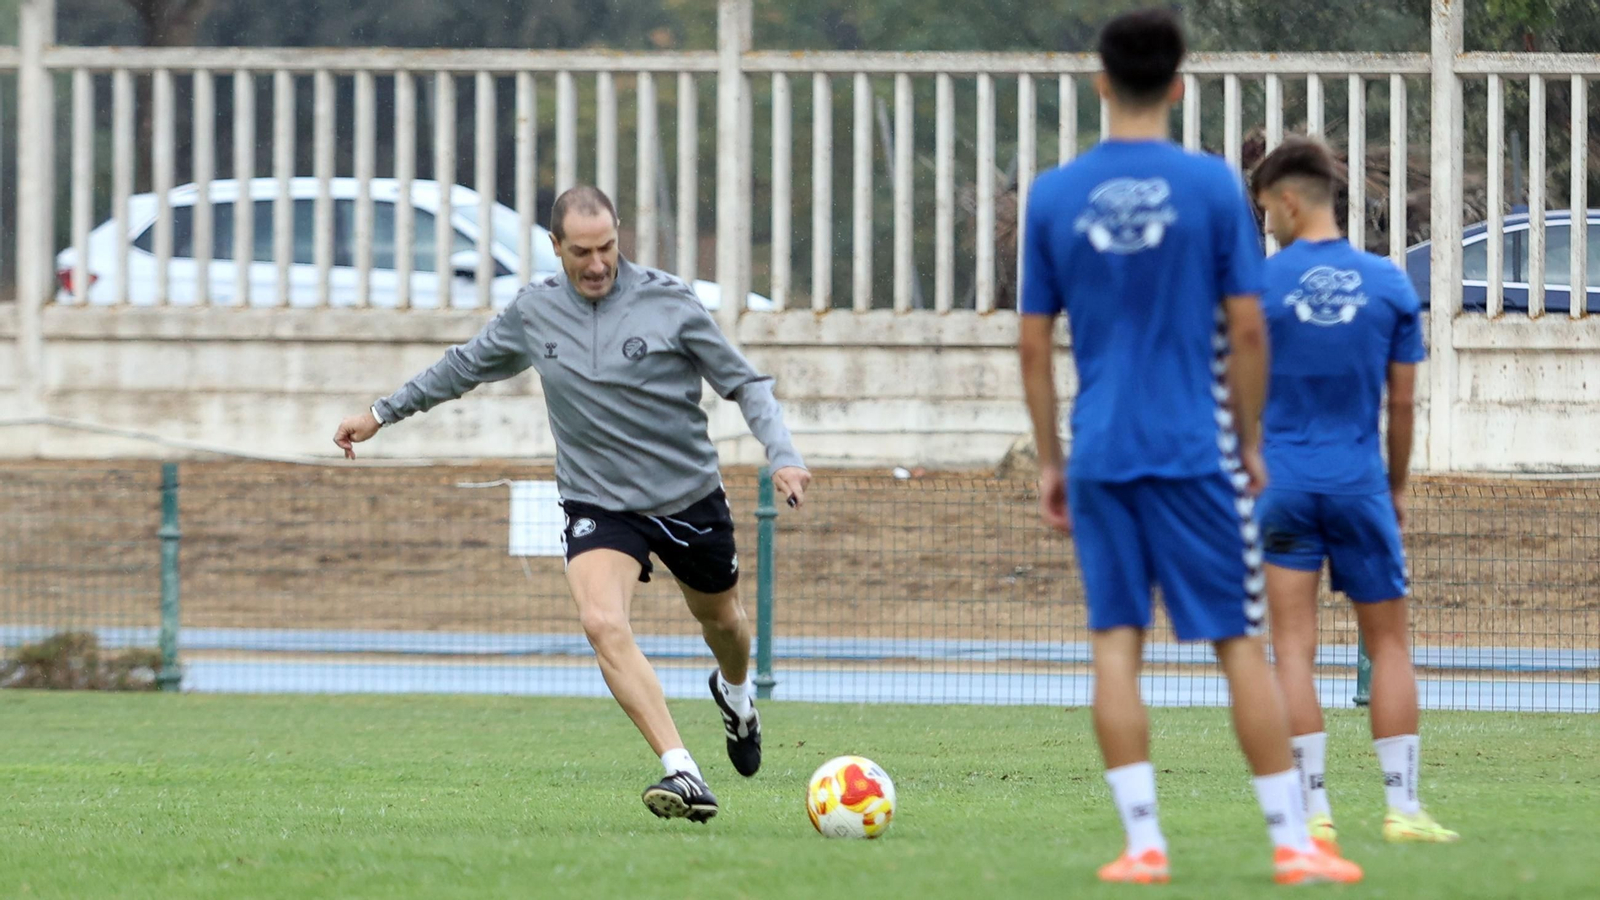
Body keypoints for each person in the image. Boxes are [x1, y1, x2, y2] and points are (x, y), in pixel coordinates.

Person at [333, 185, 811, 824]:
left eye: (607, 247)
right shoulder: (534, 313)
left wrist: (781, 453)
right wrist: (380, 414)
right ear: (555, 247)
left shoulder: (669, 302)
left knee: (723, 623)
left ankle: (736, 694)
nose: (596, 263)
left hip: (687, 494)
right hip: (599, 502)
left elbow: (745, 383)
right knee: (600, 621)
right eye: (581, 251)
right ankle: (682, 769)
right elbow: (463, 367)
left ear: (620, 238)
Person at [1018, 9, 1362, 886]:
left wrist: (1052, 461)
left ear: (1101, 83)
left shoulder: (1054, 196)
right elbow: (1249, 331)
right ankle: (1292, 845)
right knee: (1239, 644)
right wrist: (1247, 442)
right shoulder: (1214, 189)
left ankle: (1142, 847)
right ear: (1178, 85)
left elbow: (1030, 344)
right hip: (1193, 450)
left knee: (1114, 646)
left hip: (1098, 451)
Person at [1251, 136, 1458, 849]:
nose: (1265, 226)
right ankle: (1403, 808)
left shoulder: (1262, 287)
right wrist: (1396, 486)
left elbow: (1239, 389)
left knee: (1293, 652)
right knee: (1391, 645)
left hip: (1283, 487)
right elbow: (1402, 408)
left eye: (1265, 212)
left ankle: (1314, 812)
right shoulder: (1391, 284)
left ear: (1288, 200)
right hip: (1360, 485)